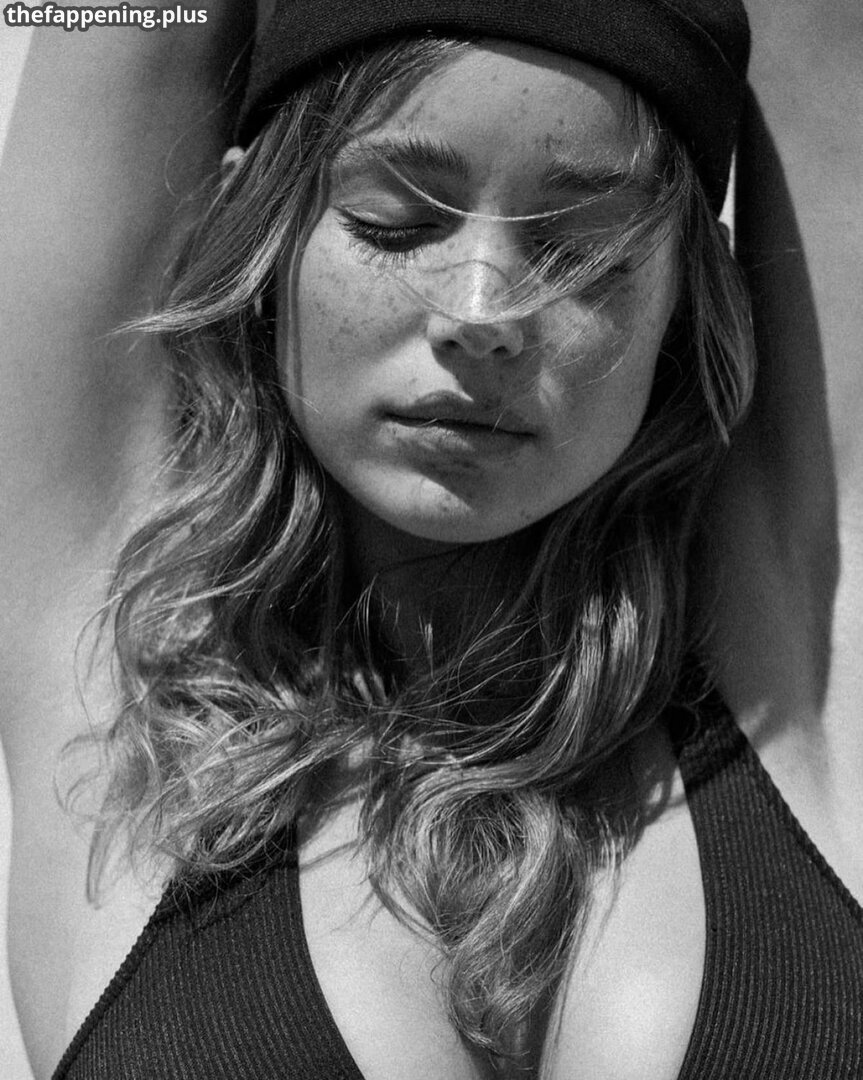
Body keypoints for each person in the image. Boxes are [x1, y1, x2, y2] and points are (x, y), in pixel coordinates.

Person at [2, 2, 862, 1079]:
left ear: (689, 293)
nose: (481, 310)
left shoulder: (813, 655)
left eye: (576, 245)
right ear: (257, 227)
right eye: (395, 222)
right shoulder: (124, 666)